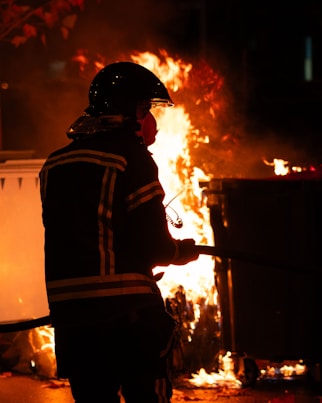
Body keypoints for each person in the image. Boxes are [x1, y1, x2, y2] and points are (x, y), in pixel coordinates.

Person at [39, 61, 199, 403]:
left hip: (72, 319)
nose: (149, 120)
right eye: (145, 108)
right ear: (128, 110)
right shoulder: (132, 158)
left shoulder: (55, 163)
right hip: (127, 315)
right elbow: (154, 246)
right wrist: (181, 252)